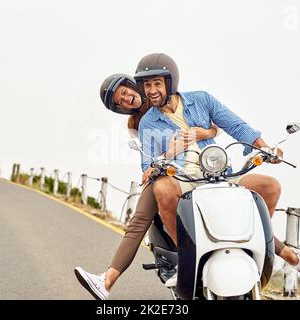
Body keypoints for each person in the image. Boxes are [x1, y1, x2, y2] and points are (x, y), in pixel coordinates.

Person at [134, 53, 300, 287]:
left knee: (270, 187)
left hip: (218, 173)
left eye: (157, 83)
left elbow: (236, 126)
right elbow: (146, 167)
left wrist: (266, 148)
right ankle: (184, 258)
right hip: (183, 178)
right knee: (161, 188)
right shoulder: (147, 123)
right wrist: (167, 155)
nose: (151, 90)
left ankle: (257, 249)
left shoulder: (201, 100)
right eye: (147, 85)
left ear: (170, 83)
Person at [74, 73, 219, 300]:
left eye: (125, 93)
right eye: (120, 102)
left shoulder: (165, 97)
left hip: (199, 165)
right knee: (140, 219)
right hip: (164, 170)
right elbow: (148, 157)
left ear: (132, 86)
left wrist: (206, 132)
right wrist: (158, 163)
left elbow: (211, 127)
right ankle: (106, 281)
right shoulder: (135, 123)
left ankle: (287, 254)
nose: (126, 100)